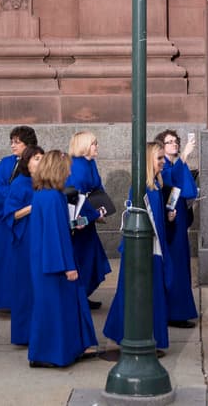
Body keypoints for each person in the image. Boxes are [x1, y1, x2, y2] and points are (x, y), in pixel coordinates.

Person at [27, 150, 99, 367]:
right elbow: (54, 236)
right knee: (55, 309)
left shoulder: (44, 194)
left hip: (46, 260)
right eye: (66, 167)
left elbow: (56, 229)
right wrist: (67, 266)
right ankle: (49, 354)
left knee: (58, 307)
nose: (69, 171)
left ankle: (63, 350)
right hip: (53, 263)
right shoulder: (51, 197)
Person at [103, 141, 172, 350]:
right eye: (159, 158)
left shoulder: (155, 186)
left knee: (147, 294)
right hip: (144, 250)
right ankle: (122, 334)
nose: (163, 162)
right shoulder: (142, 188)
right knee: (133, 293)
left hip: (153, 248)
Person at [0, 125, 36, 312]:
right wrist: (15, 199)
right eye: (12, 142)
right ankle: (2, 300)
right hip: (6, 220)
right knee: (3, 260)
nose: (13, 146)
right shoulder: (5, 163)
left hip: (28, 220)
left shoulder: (35, 162)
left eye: (17, 142)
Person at [156, 128, 199, 327]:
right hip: (170, 220)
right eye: (169, 142)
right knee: (174, 265)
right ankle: (174, 312)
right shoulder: (164, 165)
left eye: (176, 141)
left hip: (180, 215)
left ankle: (180, 310)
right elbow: (169, 180)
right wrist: (183, 157)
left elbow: (187, 189)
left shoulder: (175, 164)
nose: (174, 144)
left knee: (182, 263)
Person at [65, 130, 111, 307]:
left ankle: (82, 294)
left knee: (90, 258)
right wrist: (94, 214)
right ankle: (77, 296)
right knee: (82, 258)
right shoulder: (76, 166)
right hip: (79, 220)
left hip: (89, 217)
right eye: (94, 143)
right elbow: (75, 197)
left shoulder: (90, 163)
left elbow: (97, 188)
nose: (97, 146)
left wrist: (102, 208)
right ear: (84, 146)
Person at [6, 146, 43, 346]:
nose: (40, 161)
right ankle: (24, 334)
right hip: (26, 239)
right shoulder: (20, 184)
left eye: (42, 158)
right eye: (36, 158)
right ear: (27, 162)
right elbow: (11, 214)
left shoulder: (44, 182)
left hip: (41, 237)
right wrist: (33, 206)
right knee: (26, 288)